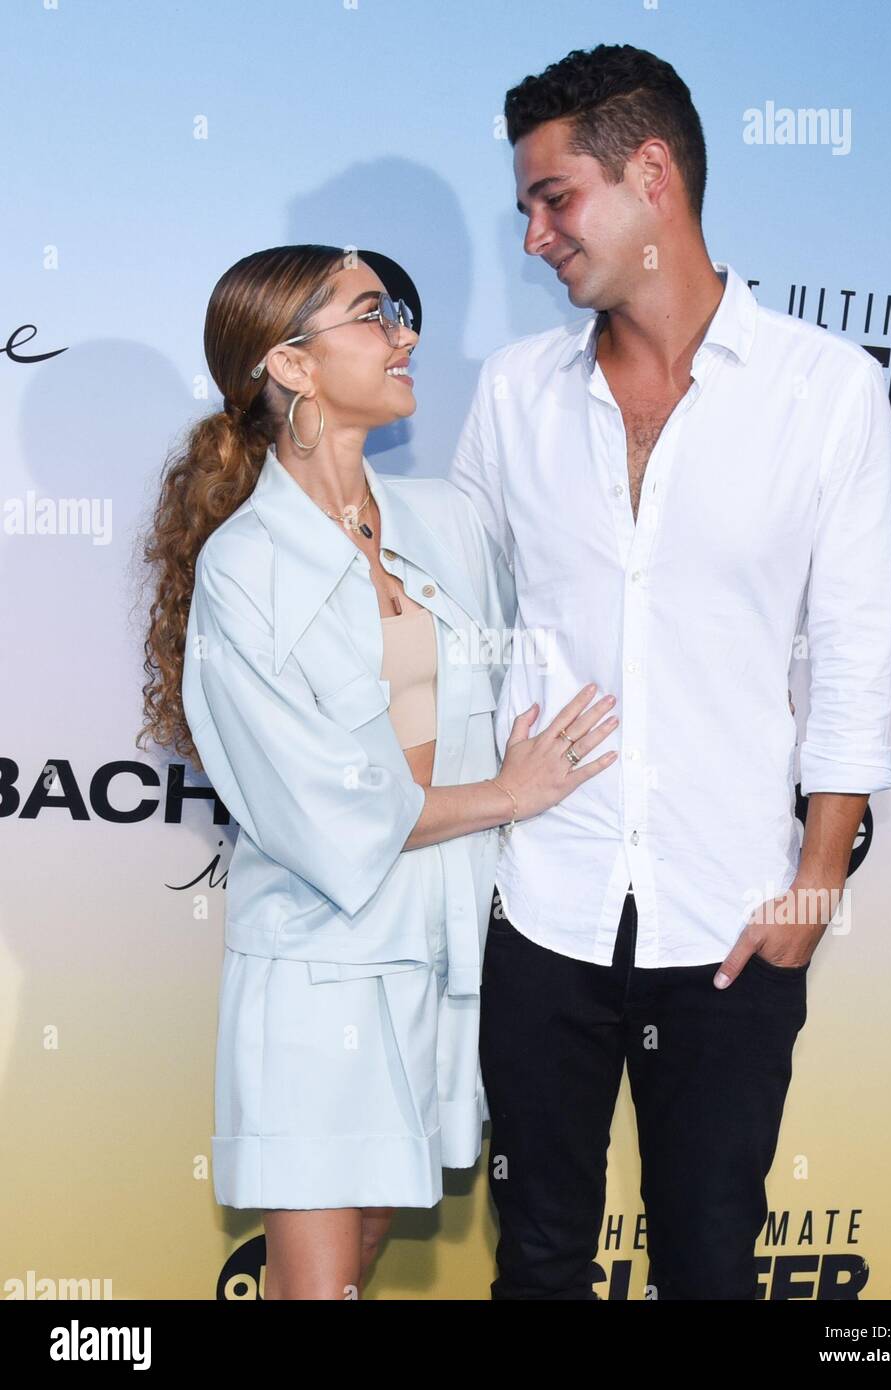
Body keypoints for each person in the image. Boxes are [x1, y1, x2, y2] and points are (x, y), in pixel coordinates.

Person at [448, 44, 891, 1300]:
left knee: (708, 1266)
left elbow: (854, 656)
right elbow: (447, 622)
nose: (535, 234)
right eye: (525, 207)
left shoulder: (825, 392)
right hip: (544, 905)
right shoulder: (512, 395)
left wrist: (814, 883)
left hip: (732, 920)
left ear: (652, 176)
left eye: (554, 198)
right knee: (537, 1262)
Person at [136, 243, 619, 1299]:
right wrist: (509, 792)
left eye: (400, 310)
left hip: (444, 965)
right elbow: (320, 812)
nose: (405, 335)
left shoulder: (447, 519)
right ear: (292, 364)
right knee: (315, 1291)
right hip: (319, 973)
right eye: (371, 314)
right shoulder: (241, 570)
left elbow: (522, 676)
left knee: (352, 1268)